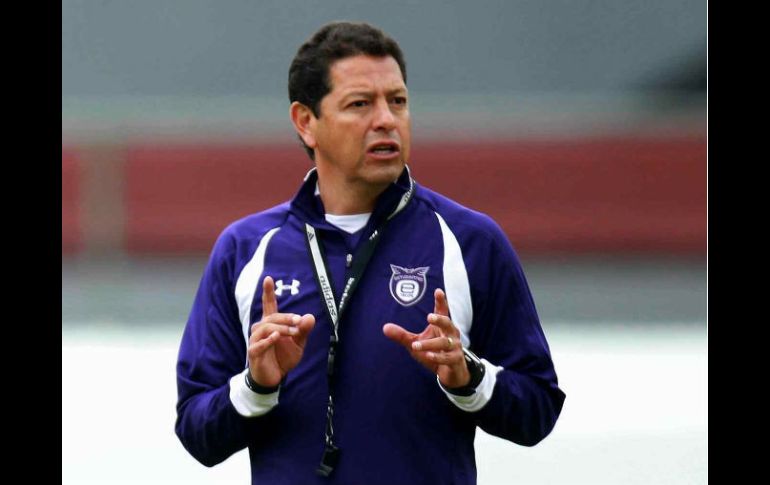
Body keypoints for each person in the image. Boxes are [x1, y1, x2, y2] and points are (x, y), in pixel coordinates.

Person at [175, 21, 565, 485]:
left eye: (397, 101)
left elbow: (538, 410)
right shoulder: (245, 249)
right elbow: (198, 433)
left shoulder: (470, 240)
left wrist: (468, 377)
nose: (386, 120)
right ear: (305, 122)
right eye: (360, 104)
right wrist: (256, 386)